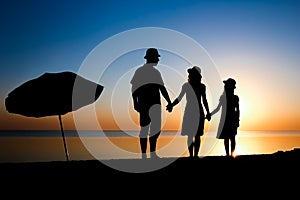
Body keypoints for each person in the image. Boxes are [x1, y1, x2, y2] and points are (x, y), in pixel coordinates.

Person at [130, 48, 173, 159]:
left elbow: (162, 88)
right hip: (145, 104)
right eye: (156, 58)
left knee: (155, 130)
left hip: (155, 105)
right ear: (150, 58)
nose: (158, 60)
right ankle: (145, 155)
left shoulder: (155, 72)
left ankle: (152, 153)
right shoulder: (140, 71)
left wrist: (169, 102)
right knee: (145, 129)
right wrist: (135, 103)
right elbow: (134, 88)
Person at [169, 66, 211, 158]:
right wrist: (171, 105)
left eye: (192, 73)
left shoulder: (198, 86)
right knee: (193, 135)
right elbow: (179, 98)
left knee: (195, 135)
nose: (190, 75)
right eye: (190, 74)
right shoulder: (190, 86)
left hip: (195, 112)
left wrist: (208, 112)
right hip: (193, 112)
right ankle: (193, 155)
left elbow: (204, 100)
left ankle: (194, 155)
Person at [210, 78, 240, 157]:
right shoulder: (224, 98)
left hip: (229, 120)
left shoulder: (234, 98)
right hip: (227, 120)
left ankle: (230, 154)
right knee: (229, 138)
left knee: (230, 138)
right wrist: (210, 114)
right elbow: (218, 109)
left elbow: (237, 110)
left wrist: (237, 121)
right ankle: (229, 155)